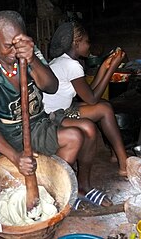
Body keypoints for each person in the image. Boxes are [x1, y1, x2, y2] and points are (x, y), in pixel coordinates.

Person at [0, 10, 112, 210]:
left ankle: (82, 188)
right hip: (11, 135)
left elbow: (51, 86)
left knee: (89, 129)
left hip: (41, 120)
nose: (14, 52)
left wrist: (32, 60)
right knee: (74, 137)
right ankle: (51, 191)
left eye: (18, 44)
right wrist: (16, 157)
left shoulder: (30, 52)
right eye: (7, 46)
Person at [43, 21, 128, 177]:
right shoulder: (71, 65)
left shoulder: (61, 61)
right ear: (76, 43)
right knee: (104, 108)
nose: (89, 46)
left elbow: (88, 93)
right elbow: (92, 99)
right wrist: (112, 69)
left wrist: (103, 67)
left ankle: (118, 156)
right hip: (53, 116)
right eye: (87, 42)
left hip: (59, 110)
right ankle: (123, 162)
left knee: (104, 105)